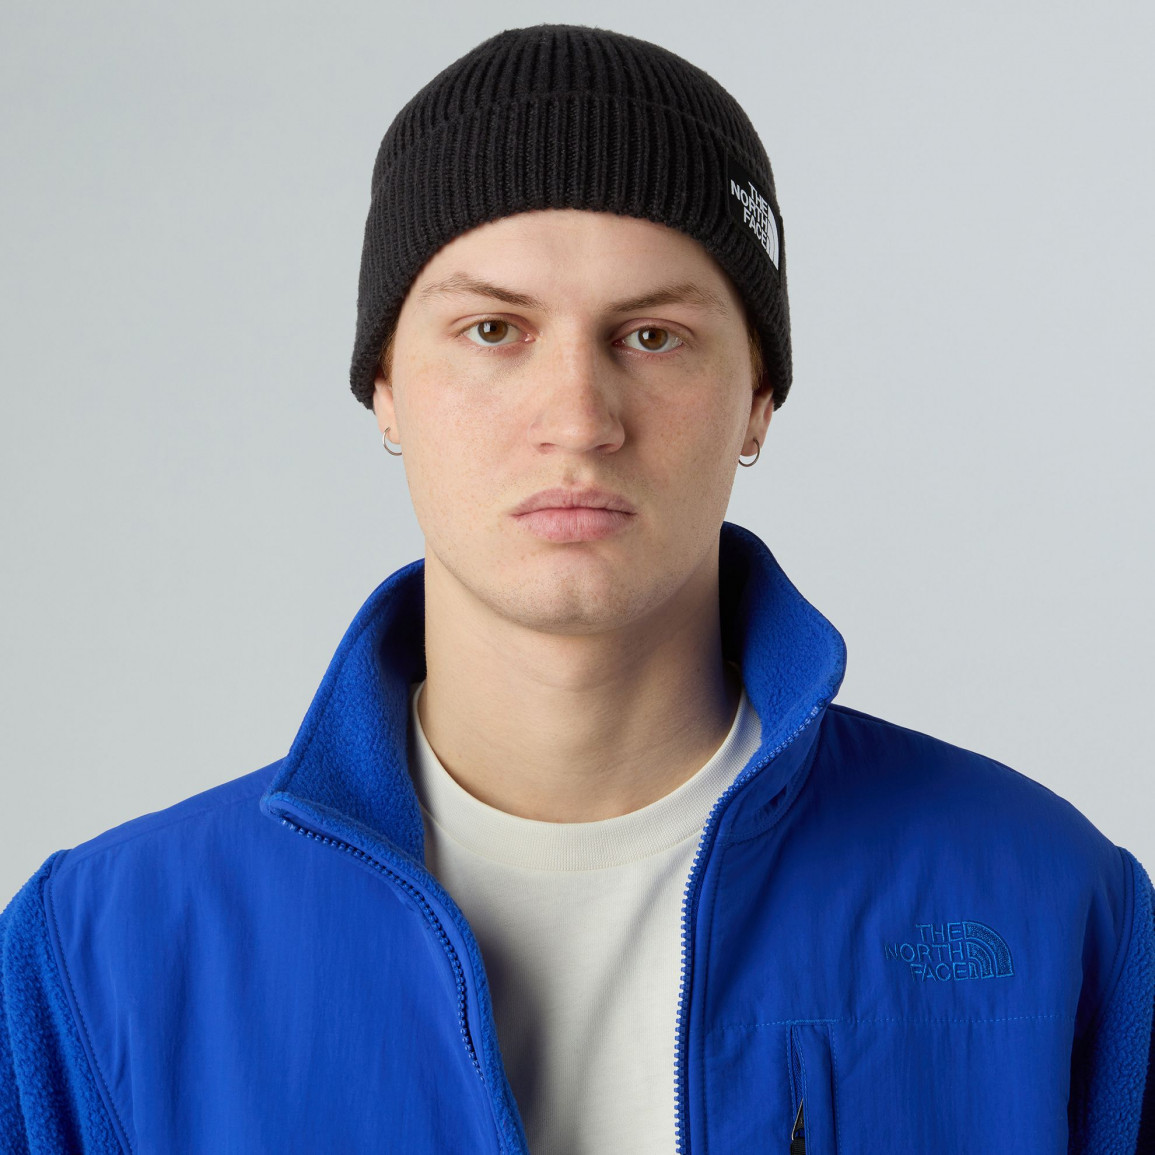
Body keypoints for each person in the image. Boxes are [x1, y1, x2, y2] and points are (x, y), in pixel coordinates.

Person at [1, 22, 1151, 1155]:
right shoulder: (98, 960)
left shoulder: (1054, 909)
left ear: (758, 399)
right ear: (385, 385)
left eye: (651, 336)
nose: (578, 420)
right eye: (492, 329)